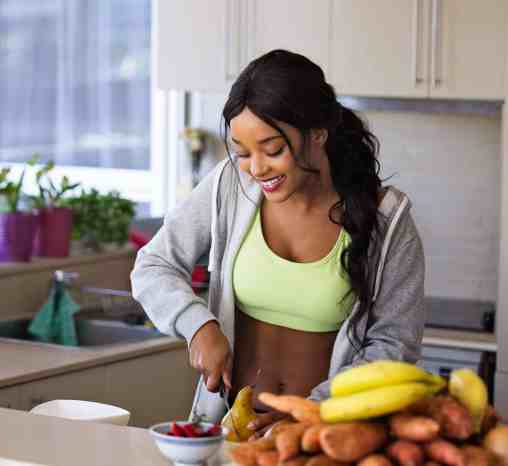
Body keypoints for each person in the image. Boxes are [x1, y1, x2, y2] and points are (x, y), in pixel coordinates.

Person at [130, 49, 425, 438]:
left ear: (318, 133)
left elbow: (393, 344)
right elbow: (153, 266)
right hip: (230, 433)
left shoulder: (386, 217)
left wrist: (311, 413)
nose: (256, 168)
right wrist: (199, 325)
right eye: (242, 152)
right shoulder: (230, 185)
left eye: (272, 150)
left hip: (323, 439)